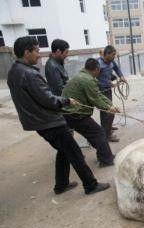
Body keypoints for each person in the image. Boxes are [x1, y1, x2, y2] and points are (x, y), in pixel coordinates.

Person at [7, 36, 109, 195]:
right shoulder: (30, 74)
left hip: (36, 120)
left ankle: (61, 185)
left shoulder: (13, 71)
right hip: (48, 121)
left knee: (64, 151)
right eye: (37, 51)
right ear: (27, 52)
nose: (39, 55)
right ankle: (91, 185)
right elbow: (48, 98)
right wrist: (66, 101)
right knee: (74, 152)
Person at [62, 58, 120, 168]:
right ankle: (106, 159)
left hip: (69, 113)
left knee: (94, 134)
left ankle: (104, 156)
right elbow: (95, 99)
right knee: (99, 133)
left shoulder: (83, 76)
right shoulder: (87, 80)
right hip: (75, 114)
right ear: (97, 69)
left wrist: (110, 105)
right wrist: (109, 108)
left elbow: (98, 94)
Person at [97, 45, 126, 142]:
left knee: (107, 113)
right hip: (101, 91)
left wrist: (121, 76)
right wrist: (107, 83)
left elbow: (117, 68)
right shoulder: (98, 64)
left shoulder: (111, 61)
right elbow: (93, 78)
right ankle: (107, 135)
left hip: (108, 90)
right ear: (107, 54)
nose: (114, 57)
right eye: (113, 55)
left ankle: (107, 129)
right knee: (109, 113)